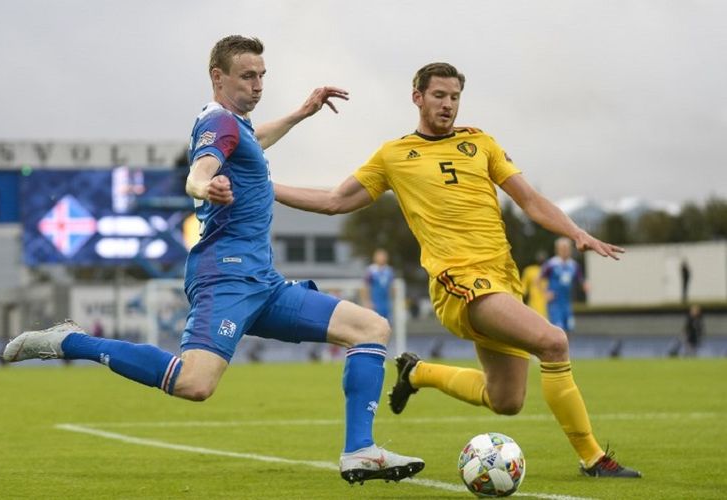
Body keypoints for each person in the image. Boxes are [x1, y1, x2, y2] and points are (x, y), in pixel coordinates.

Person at [2, 35, 423, 486]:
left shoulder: (237, 126)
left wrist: (302, 113)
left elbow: (255, 139)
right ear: (217, 77)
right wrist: (207, 187)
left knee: (371, 329)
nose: (258, 85)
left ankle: (359, 450)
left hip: (264, 283)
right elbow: (199, 171)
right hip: (225, 278)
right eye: (247, 76)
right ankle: (71, 342)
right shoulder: (218, 122)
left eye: (262, 75)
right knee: (194, 384)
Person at [273, 62, 641, 478]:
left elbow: (530, 200)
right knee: (553, 342)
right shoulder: (394, 155)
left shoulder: (480, 143)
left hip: (502, 278)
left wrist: (575, 232)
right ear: (418, 97)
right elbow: (335, 200)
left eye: (454, 97)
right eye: (439, 96)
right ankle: (594, 459)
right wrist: (266, 187)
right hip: (459, 282)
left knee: (506, 399)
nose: (448, 105)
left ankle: (418, 373)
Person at [542, 238, 588, 332]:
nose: (564, 251)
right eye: (562, 248)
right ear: (557, 250)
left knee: (569, 328)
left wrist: (585, 285)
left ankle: (567, 347)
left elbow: (581, 280)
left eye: (566, 248)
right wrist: (545, 292)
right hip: (555, 303)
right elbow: (538, 280)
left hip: (567, 303)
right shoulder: (551, 264)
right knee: (558, 329)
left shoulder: (574, 265)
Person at [361, 248, 395, 321]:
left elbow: (391, 287)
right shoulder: (371, 270)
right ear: (375, 257)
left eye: (383, 256)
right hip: (375, 302)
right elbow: (365, 286)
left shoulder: (389, 270)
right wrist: (367, 301)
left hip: (386, 303)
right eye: (379, 256)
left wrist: (392, 300)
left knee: (387, 323)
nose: (381, 258)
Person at [520, 250, 548, 319]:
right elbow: (523, 289)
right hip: (533, 305)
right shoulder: (529, 270)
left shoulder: (550, 270)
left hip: (548, 305)